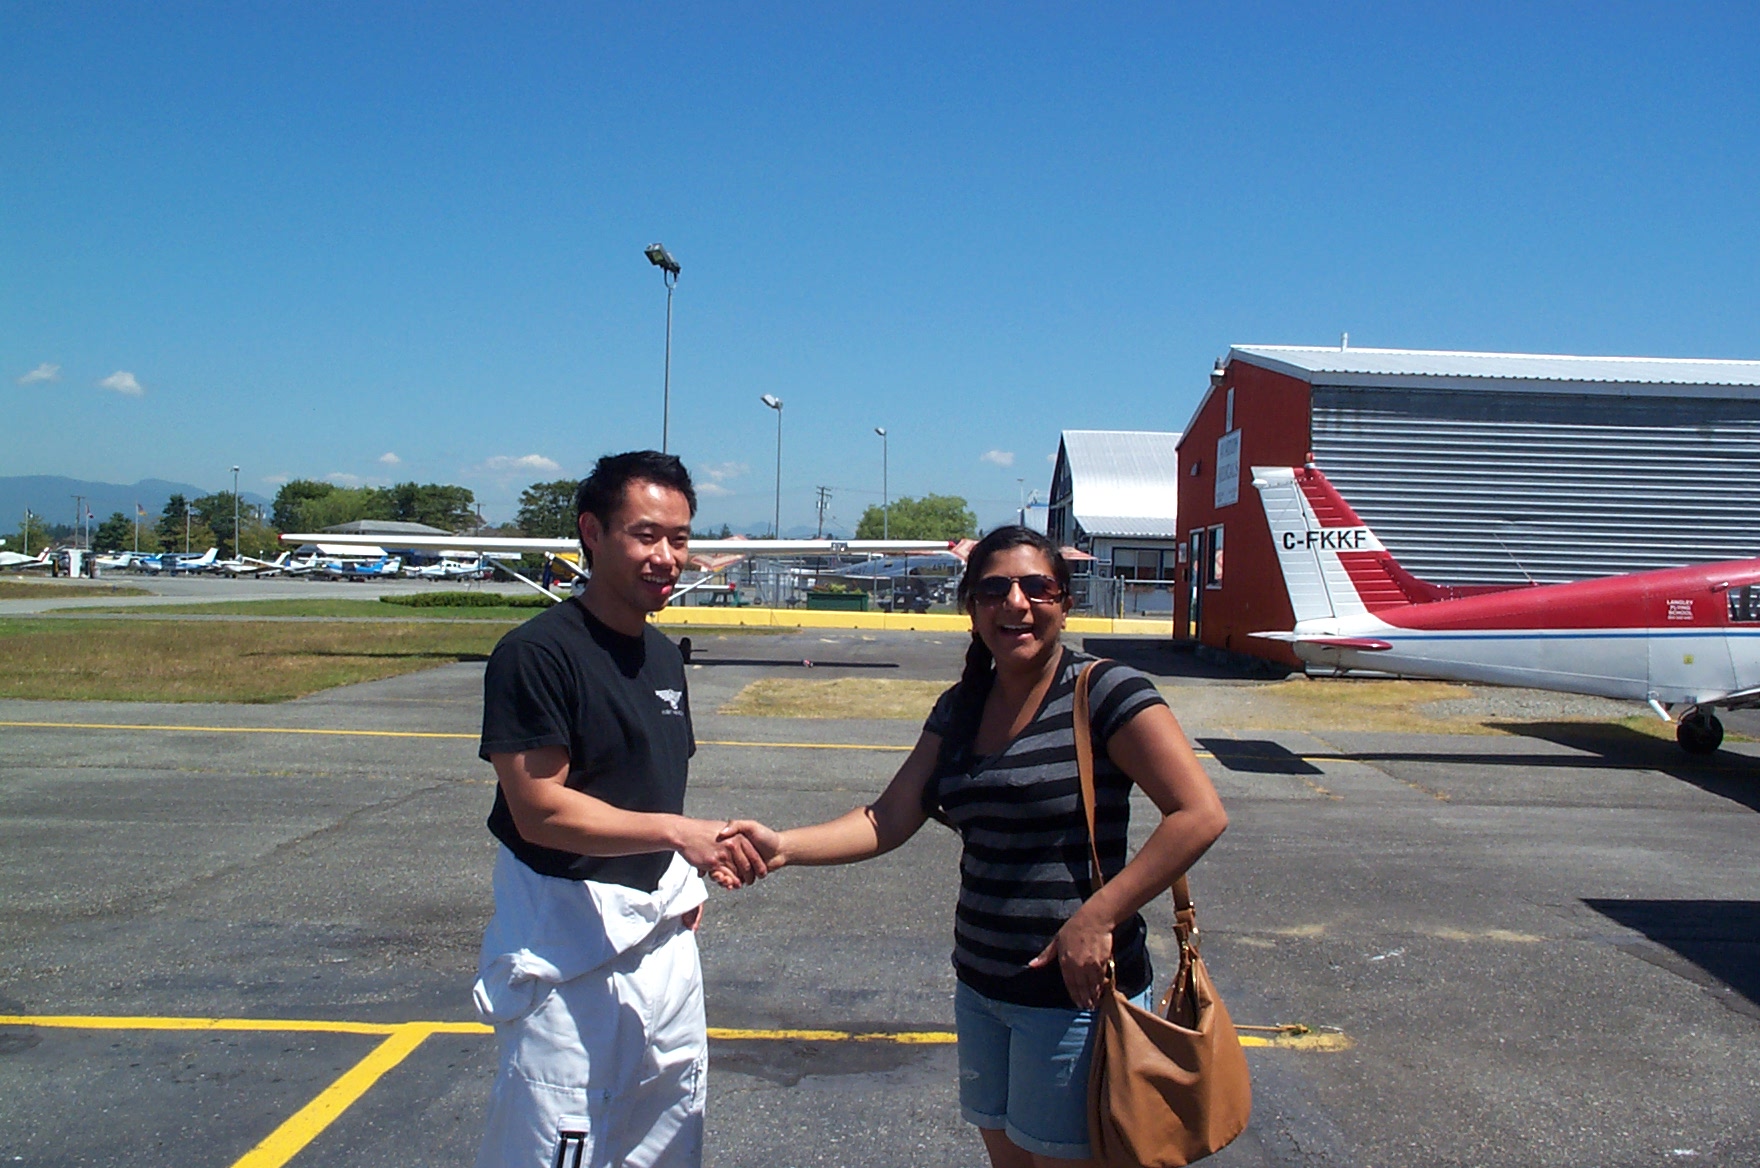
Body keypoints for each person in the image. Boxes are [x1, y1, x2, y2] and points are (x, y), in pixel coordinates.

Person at [722, 526, 1228, 1166]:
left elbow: (1198, 812)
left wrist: (1098, 915)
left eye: (1035, 587)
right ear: (971, 606)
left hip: (1075, 1000)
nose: (1014, 603)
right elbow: (887, 817)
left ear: (1064, 602)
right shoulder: (961, 706)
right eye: (993, 589)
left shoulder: (1104, 693)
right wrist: (783, 847)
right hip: (983, 986)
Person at [473, 450, 765, 1168]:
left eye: (680, 538)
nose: (667, 556)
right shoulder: (537, 655)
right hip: (568, 951)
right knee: (560, 1141)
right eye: (645, 535)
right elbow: (541, 809)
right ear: (592, 533)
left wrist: (678, 876)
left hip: (660, 947)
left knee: (667, 1132)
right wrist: (675, 835)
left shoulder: (663, 657)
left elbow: (652, 785)